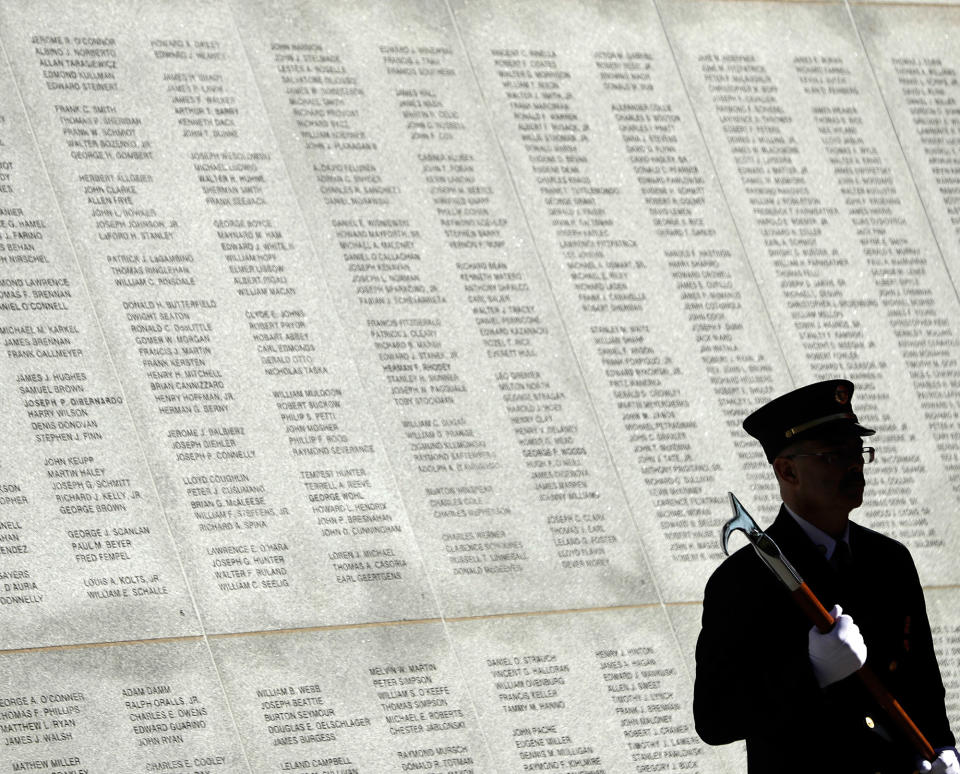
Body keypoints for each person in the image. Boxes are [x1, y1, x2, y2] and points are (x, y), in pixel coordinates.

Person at [693, 379, 957, 773]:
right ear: (787, 470)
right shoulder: (742, 580)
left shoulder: (890, 560)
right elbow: (715, 719)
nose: (854, 465)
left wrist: (942, 748)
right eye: (833, 455)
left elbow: (922, 681)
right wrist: (811, 672)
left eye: (858, 452)